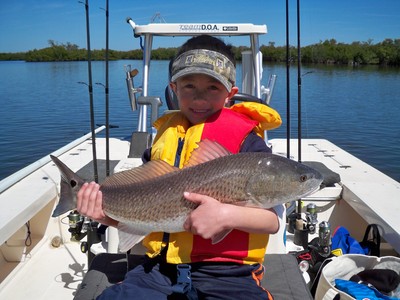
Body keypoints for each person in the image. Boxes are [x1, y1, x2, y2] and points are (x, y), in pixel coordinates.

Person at [77, 35, 283, 299]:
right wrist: (100, 212)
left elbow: (273, 219)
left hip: (228, 273)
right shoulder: (165, 138)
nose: (199, 98)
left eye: (213, 88)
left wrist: (227, 216)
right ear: (174, 88)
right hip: (160, 268)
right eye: (188, 86)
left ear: (230, 93)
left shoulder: (249, 145)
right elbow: (144, 211)